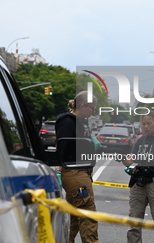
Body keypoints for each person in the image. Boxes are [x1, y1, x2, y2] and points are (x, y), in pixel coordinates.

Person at [122, 110, 154, 243]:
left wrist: (148, 155)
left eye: (149, 123)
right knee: (134, 222)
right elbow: (130, 160)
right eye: (143, 124)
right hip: (138, 183)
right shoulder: (140, 140)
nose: (146, 126)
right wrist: (122, 157)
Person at [55, 91, 99, 243]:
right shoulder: (67, 122)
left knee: (74, 216)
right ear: (82, 105)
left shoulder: (82, 121)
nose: (93, 111)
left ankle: (67, 240)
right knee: (88, 211)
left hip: (82, 171)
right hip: (75, 173)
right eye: (92, 108)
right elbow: (64, 147)